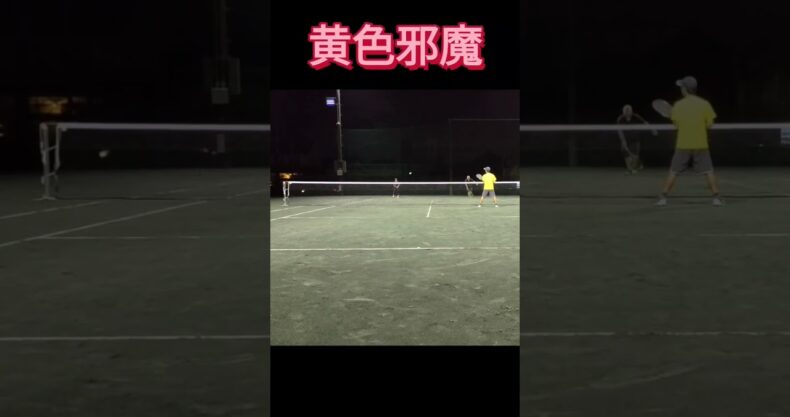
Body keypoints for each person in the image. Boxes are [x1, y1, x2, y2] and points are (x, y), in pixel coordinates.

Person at [657, 76, 722, 206]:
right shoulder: (705, 104)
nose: (681, 89)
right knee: (709, 171)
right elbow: (710, 124)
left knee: (673, 171)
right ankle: (716, 199)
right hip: (701, 144)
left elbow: (676, 125)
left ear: (685, 89)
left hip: (683, 144)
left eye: (682, 87)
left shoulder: (678, 105)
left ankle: (663, 198)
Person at [616, 104, 657, 173]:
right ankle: (630, 169)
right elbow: (619, 131)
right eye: (625, 110)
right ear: (623, 112)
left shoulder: (636, 116)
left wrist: (652, 129)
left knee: (635, 155)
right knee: (625, 154)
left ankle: (637, 164)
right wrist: (623, 141)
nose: (627, 112)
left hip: (635, 139)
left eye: (629, 110)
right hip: (625, 138)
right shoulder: (620, 119)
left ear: (632, 111)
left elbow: (645, 123)